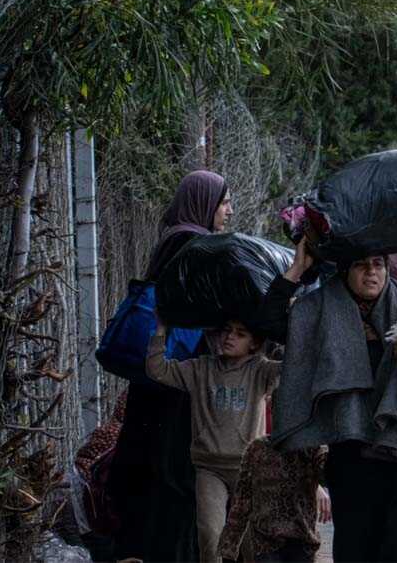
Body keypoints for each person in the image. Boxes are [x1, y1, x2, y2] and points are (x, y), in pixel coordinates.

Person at [267, 251, 397, 563]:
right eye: (361, 265)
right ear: (345, 270)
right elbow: (266, 322)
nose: (371, 273)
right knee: (355, 552)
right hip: (354, 453)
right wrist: (297, 269)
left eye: (378, 265)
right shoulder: (319, 313)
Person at [108, 169, 231, 562]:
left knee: (151, 474)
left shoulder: (173, 238)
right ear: (204, 202)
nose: (228, 210)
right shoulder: (194, 244)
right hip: (176, 382)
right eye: (224, 201)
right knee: (174, 479)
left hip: (155, 379)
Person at [146, 316, 281, 563]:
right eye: (227, 331)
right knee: (210, 535)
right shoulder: (201, 368)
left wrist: (286, 327)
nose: (230, 337)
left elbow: (295, 367)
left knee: (254, 540)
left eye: (240, 333)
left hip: (250, 469)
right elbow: (157, 369)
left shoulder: (261, 370)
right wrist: (161, 329)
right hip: (210, 468)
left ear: (254, 343)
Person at [218, 439, 330, 562]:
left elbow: (328, 475)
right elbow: (241, 503)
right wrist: (228, 550)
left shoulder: (311, 447)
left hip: (302, 544)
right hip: (267, 544)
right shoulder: (257, 449)